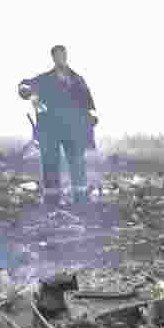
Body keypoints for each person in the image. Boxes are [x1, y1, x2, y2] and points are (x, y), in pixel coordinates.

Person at [17, 45, 98, 209]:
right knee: (50, 164)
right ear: (53, 58)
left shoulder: (77, 79)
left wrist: (92, 116)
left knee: (77, 163)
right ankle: (51, 203)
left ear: (66, 56)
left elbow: (89, 102)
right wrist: (31, 94)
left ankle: (80, 201)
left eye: (63, 55)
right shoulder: (44, 79)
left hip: (73, 129)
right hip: (50, 129)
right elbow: (23, 86)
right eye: (57, 56)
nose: (61, 58)